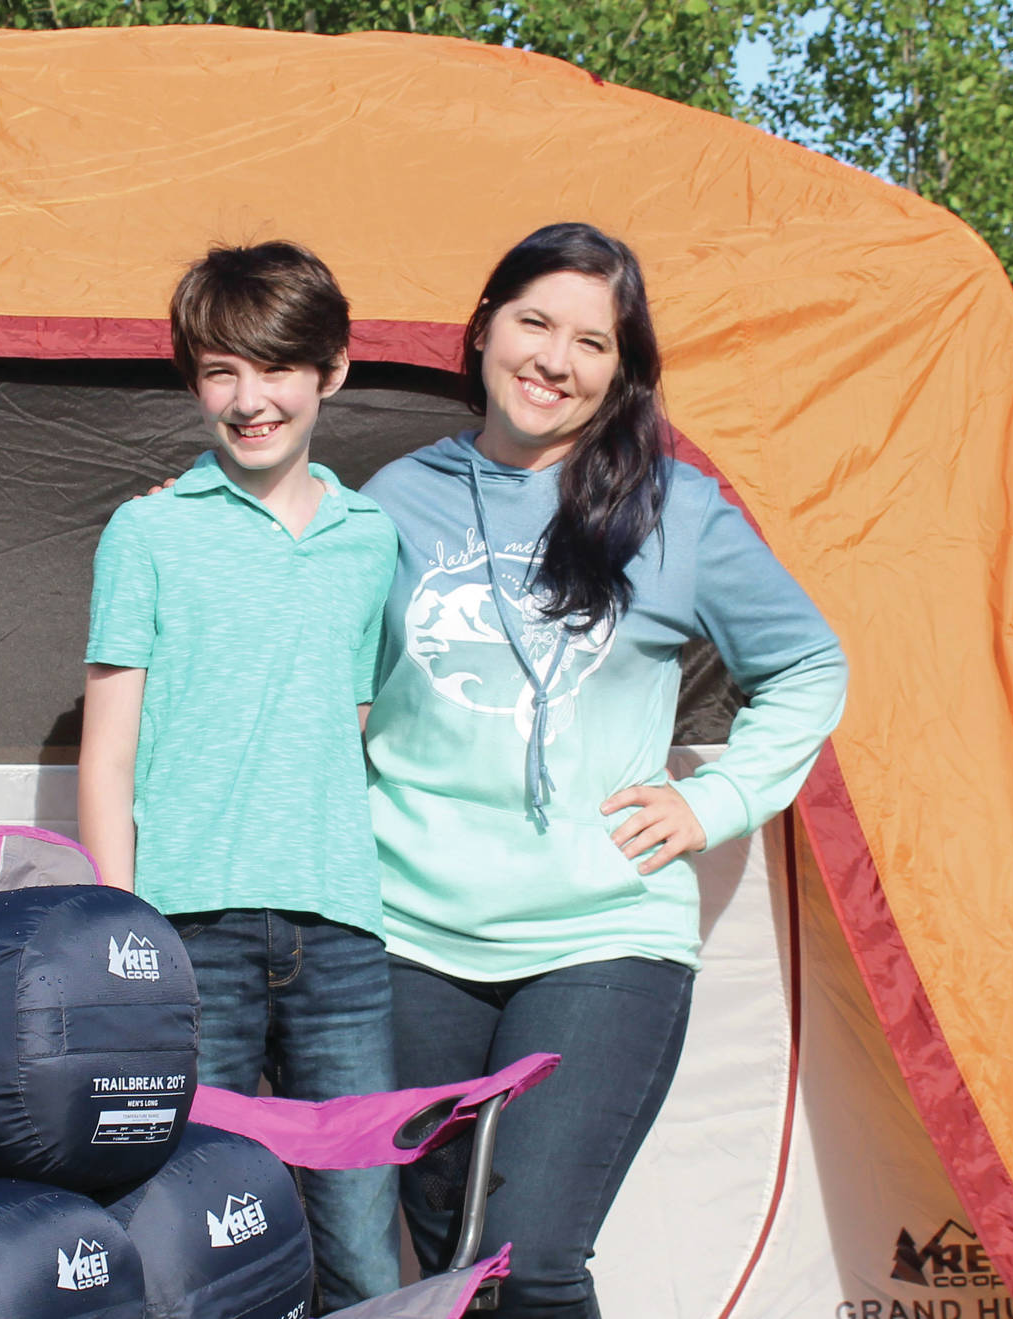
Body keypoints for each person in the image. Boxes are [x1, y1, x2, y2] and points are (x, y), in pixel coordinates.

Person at [360, 222, 848, 1317]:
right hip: (403, 931)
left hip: (601, 930)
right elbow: (322, 676)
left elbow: (809, 663)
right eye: (533, 321)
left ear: (620, 371)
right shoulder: (389, 501)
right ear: (482, 328)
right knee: (455, 1275)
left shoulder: (676, 510)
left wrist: (713, 798)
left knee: (527, 1262)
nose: (554, 359)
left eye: (592, 341)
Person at [78, 241, 403, 1311]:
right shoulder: (147, 529)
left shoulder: (372, 541)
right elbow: (109, 749)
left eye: (273, 369)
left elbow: (343, 721)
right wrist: (126, 939)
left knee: (357, 1236)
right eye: (220, 371)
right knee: (194, 1235)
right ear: (194, 384)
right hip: (189, 930)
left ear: (331, 371)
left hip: (341, 932)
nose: (248, 398)